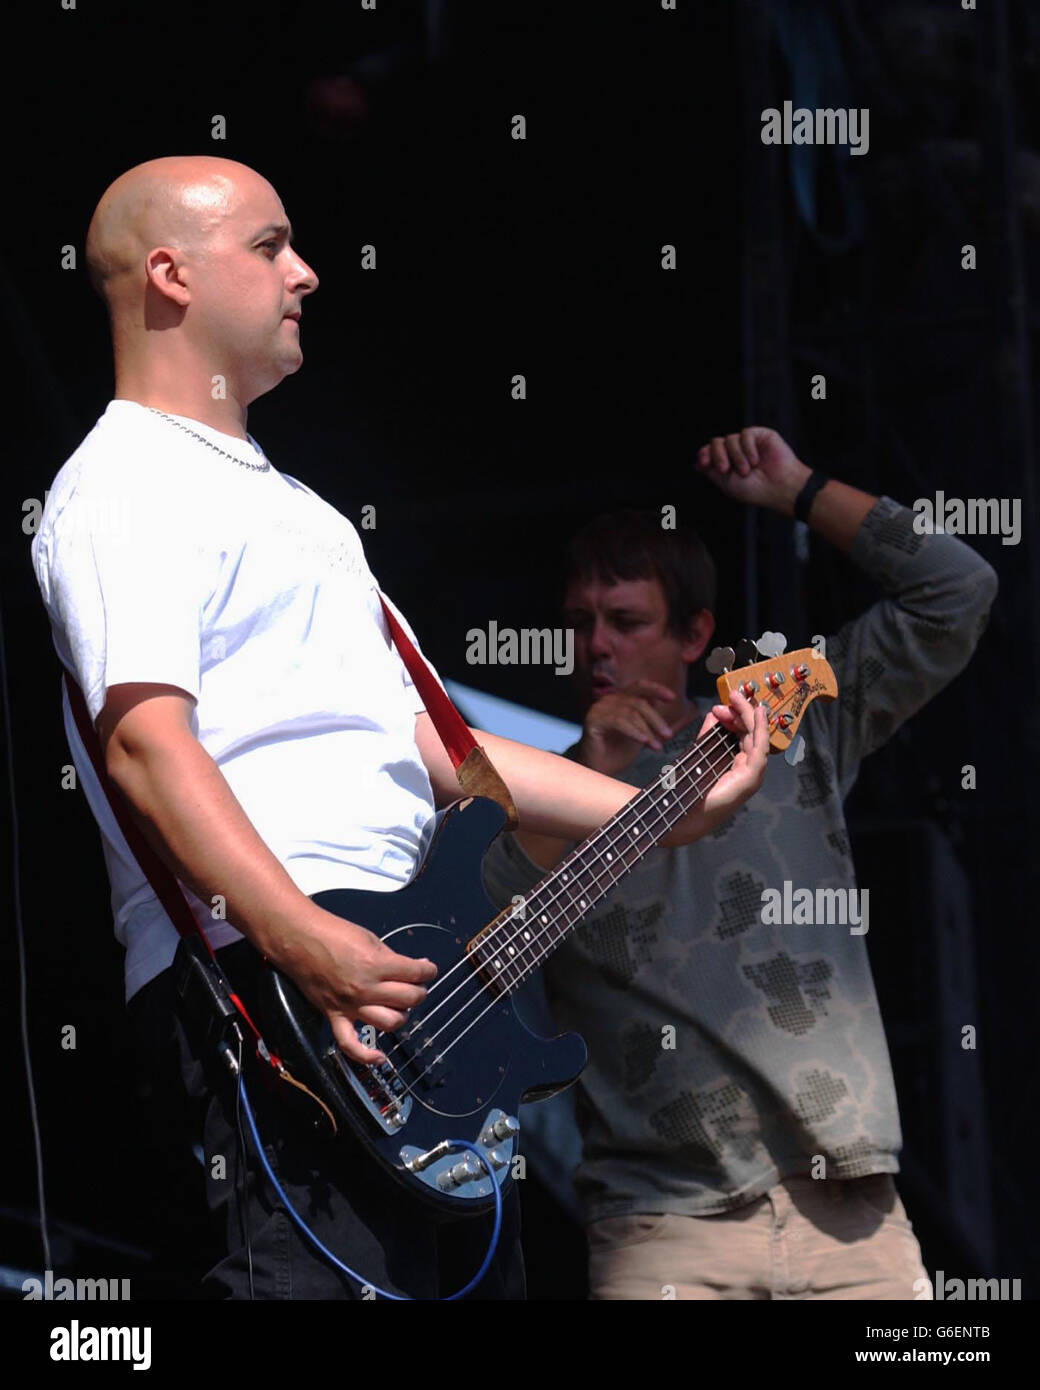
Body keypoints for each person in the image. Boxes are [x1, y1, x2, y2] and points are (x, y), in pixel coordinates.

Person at [29, 156, 769, 1301]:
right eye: (270, 246)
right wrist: (297, 935)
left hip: (416, 999)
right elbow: (143, 745)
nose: (307, 273)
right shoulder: (123, 480)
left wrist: (673, 807)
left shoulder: (305, 512)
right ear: (170, 274)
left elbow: (440, 755)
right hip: (270, 978)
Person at [482, 427, 999, 1300]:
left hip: (852, 1214)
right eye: (579, 624)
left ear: (696, 635)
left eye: (626, 621)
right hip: (661, 1231)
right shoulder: (539, 797)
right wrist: (591, 777)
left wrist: (799, 487)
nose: (596, 646)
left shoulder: (788, 715)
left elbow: (958, 592)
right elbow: (476, 947)